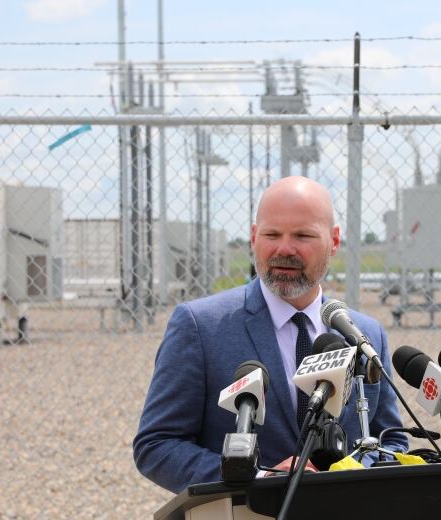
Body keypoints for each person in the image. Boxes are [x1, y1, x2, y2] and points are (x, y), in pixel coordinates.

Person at [133, 176, 407, 493]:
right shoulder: (200, 326)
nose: (284, 248)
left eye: (303, 235)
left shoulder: (364, 334)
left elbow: (391, 440)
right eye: (272, 234)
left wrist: (348, 478)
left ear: (334, 241)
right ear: (253, 237)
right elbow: (157, 445)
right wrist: (258, 480)